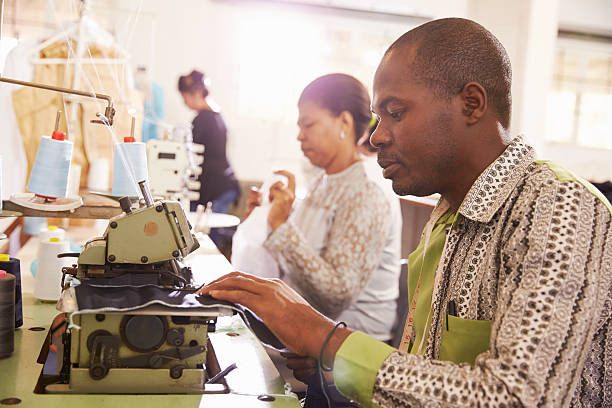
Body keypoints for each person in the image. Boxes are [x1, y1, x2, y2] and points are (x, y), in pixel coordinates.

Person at [199, 18, 612, 408]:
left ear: (471, 104)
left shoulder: (558, 209)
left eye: (395, 113)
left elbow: (519, 398)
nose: (376, 136)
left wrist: (327, 339)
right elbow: (431, 365)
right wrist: (338, 360)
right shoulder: (449, 210)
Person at [246, 73, 401, 344]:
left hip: (349, 351)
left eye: (308, 125)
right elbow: (296, 267)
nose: (299, 136)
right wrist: (263, 220)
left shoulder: (367, 193)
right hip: (309, 329)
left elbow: (336, 295)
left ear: (344, 122)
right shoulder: (324, 181)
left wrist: (281, 226)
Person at [178, 70, 240, 247]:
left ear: (196, 93)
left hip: (218, 187)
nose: (185, 104)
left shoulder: (203, 119)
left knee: (210, 238)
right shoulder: (217, 115)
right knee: (209, 234)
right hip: (224, 184)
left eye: (185, 98)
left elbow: (189, 155)